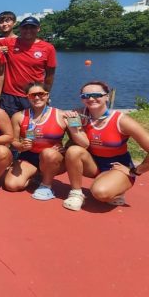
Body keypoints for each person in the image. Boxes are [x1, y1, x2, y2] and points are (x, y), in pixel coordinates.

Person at [63, 81, 149, 211]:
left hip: (117, 166)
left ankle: (117, 187)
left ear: (107, 97)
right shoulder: (78, 115)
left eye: (96, 94)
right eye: (85, 96)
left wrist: (136, 171)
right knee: (73, 151)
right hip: (93, 164)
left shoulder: (122, 120)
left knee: (100, 193)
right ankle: (76, 193)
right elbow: (68, 134)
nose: (91, 99)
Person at [5, 82, 84, 200]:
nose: (37, 97)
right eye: (32, 95)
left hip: (53, 157)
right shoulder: (18, 116)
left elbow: (79, 142)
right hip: (29, 156)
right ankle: (36, 175)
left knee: (48, 153)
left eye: (41, 94)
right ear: (27, 97)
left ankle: (46, 186)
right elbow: (13, 141)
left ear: (47, 95)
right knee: (11, 185)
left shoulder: (63, 115)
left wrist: (66, 149)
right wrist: (21, 146)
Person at [0, 16, 57, 117]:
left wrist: (46, 94)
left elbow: (50, 75)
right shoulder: (9, 42)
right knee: (10, 128)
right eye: (25, 27)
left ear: (38, 29)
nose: (28, 30)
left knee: (32, 128)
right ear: (20, 29)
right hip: (10, 96)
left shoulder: (48, 48)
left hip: (34, 95)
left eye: (32, 27)